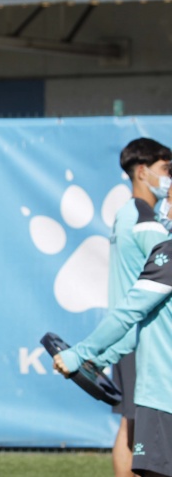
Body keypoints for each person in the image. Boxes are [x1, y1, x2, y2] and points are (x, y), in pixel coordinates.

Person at [91, 138, 172, 476]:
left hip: (131, 334)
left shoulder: (129, 215)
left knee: (132, 425)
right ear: (142, 171)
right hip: (139, 336)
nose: (169, 178)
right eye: (166, 170)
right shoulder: (143, 220)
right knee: (137, 427)